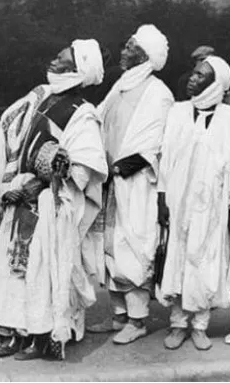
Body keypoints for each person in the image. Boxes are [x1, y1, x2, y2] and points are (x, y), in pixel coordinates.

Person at [0, 39, 109, 361]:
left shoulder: (83, 113)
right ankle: (15, 334)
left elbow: (85, 168)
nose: (54, 61)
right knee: (14, 269)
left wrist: (43, 179)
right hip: (20, 196)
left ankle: (42, 339)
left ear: (77, 71)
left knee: (42, 270)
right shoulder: (38, 96)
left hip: (49, 204)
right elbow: (7, 130)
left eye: (61, 58)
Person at [89, 24, 174, 345]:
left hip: (135, 184)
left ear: (144, 56)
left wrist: (121, 167)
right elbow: (99, 120)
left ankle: (138, 320)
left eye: (129, 47)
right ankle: (119, 316)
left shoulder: (159, 93)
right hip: (109, 181)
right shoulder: (121, 85)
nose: (123, 51)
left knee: (134, 247)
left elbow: (154, 144)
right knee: (109, 246)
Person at [157, 55, 230, 351]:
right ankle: (177, 323)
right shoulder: (177, 112)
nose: (193, 78)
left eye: (201, 76)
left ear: (216, 84)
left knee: (205, 262)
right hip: (178, 201)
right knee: (176, 259)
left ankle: (199, 325)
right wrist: (163, 197)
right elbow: (165, 156)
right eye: (194, 73)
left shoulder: (227, 118)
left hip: (211, 205)